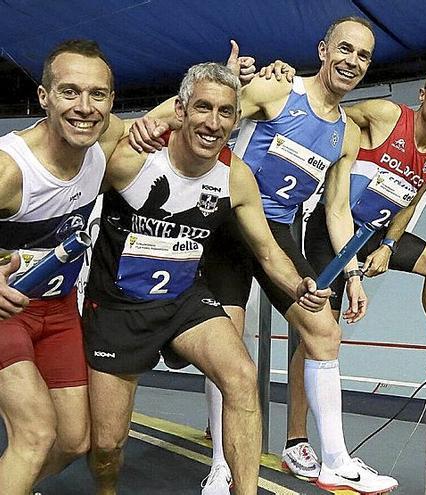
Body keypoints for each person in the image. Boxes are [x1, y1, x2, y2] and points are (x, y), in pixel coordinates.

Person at [129, 17, 398, 495]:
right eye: (345, 49)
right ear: (323, 50)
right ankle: (222, 465)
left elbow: (336, 210)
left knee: (324, 331)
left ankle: (335, 459)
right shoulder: (278, 91)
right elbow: (211, 108)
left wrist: (352, 274)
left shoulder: (347, 135)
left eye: (362, 57)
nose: (352, 62)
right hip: (229, 223)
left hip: (277, 235)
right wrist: (145, 126)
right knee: (228, 346)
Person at [83, 62, 328, 495]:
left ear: (237, 118)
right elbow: (67, 198)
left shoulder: (235, 177)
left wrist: (298, 285)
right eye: (203, 108)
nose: (213, 123)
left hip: (183, 301)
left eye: (225, 113)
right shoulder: (132, 156)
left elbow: (269, 252)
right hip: (119, 309)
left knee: (240, 376)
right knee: (106, 446)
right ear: (181, 110)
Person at [287, 68, 426, 477]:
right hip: (330, 227)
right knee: (319, 335)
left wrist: (390, 246)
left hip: (374, 234)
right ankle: (296, 441)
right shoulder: (388, 115)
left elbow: (408, 200)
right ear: (423, 94)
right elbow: (335, 117)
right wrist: (337, 164)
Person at [0, 39, 134, 495]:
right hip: (6, 311)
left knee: (75, 441)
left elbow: (178, 111)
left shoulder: (106, 140)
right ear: (44, 97)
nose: (84, 107)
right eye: (69, 92)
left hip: (56, 310)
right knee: (35, 434)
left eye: (97, 94)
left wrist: (240, 78)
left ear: (111, 102)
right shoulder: (10, 170)